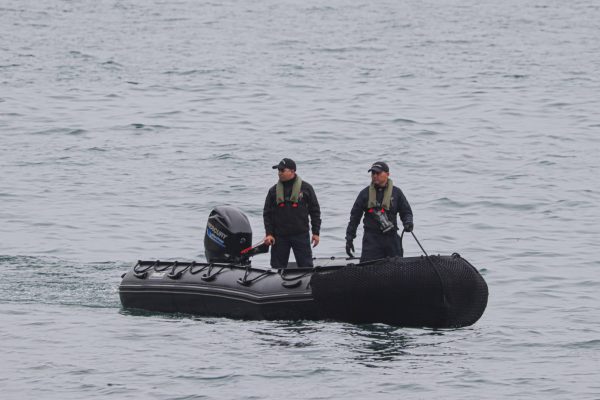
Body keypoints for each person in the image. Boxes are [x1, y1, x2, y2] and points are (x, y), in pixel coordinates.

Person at [345, 161, 413, 262]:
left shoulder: (397, 193)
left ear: (387, 174)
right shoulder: (364, 194)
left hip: (392, 238)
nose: (375, 176)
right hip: (371, 240)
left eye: (378, 173)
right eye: (373, 173)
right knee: (368, 269)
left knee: (397, 268)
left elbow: (406, 212)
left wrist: (408, 223)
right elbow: (354, 218)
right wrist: (349, 239)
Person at [263, 158, 321, 268]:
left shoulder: (306, 188)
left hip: (301, 235)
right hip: (279, 237)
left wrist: (316, 232)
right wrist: (269, 234)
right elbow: (267, 214)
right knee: (277, 268)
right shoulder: (273, 191)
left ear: (292, 171)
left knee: (306, 266)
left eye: (282, 170)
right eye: (278, 170)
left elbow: (315, 211)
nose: (279, 173)